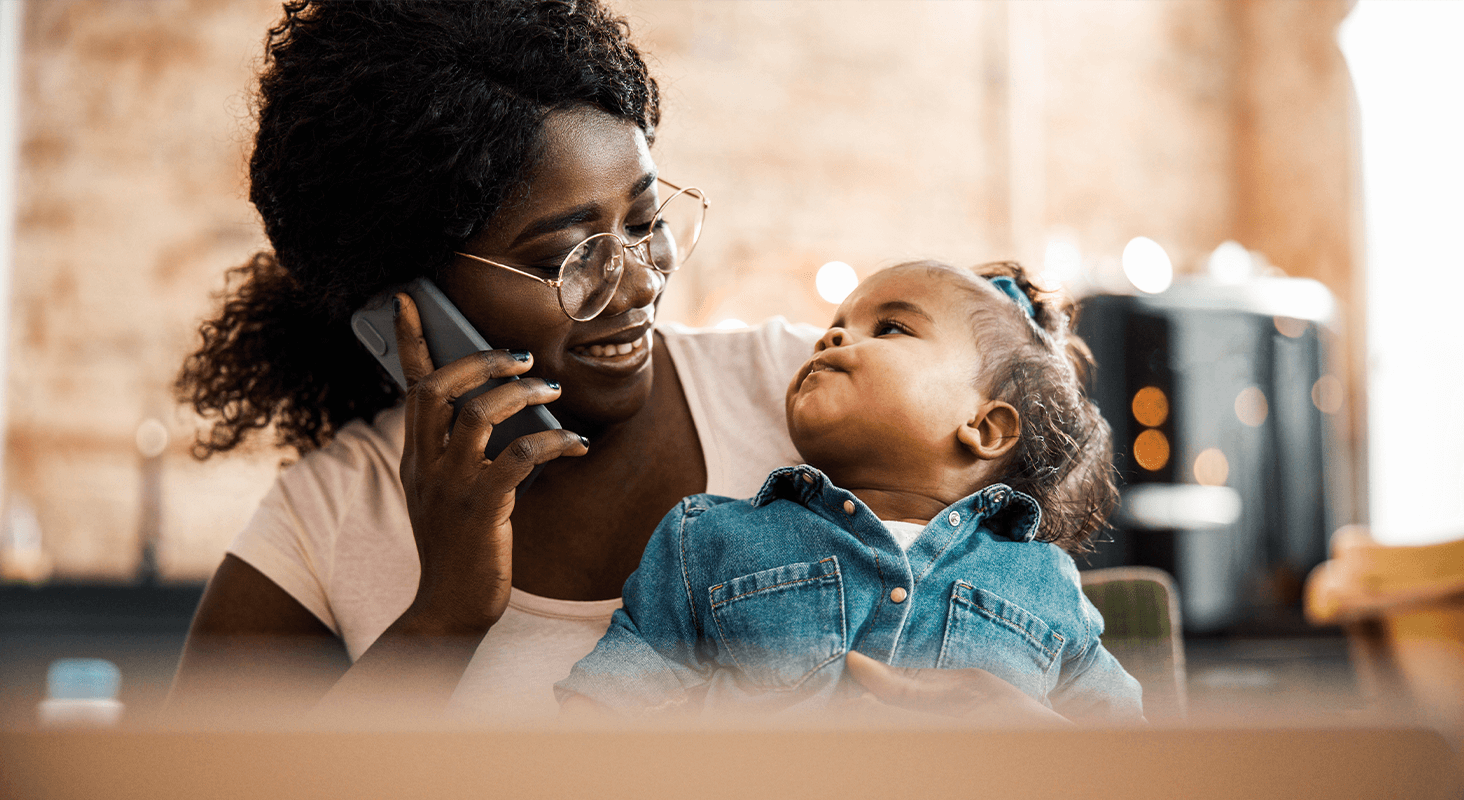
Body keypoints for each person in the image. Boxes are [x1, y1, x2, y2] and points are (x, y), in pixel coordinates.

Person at [167, 0, 1070, 725]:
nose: (639, 282)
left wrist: (1049, 749)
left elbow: (1043, 631)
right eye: (569, 256)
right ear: (406, 302)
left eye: (643, 222)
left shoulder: (819, 398)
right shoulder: (330, 517)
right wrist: (441, 617)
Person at [556, 261, 1144, 722]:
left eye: (890, 327)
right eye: (836, 325)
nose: (832, 335)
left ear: (986, 428)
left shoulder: (1044, 581)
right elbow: (607, 704)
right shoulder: (706, 536)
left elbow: (1131, 751)